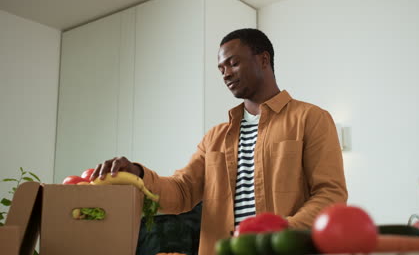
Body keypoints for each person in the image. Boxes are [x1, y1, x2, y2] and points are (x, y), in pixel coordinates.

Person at [91, 28, 347, 255]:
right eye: (221, 69)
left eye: (233, 63)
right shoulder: (215, 137)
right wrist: (138, 174)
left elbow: (330, 194)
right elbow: (182, 191)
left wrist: (281, 231)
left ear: (263, 59)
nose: (225, 74)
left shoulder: (311, 118)